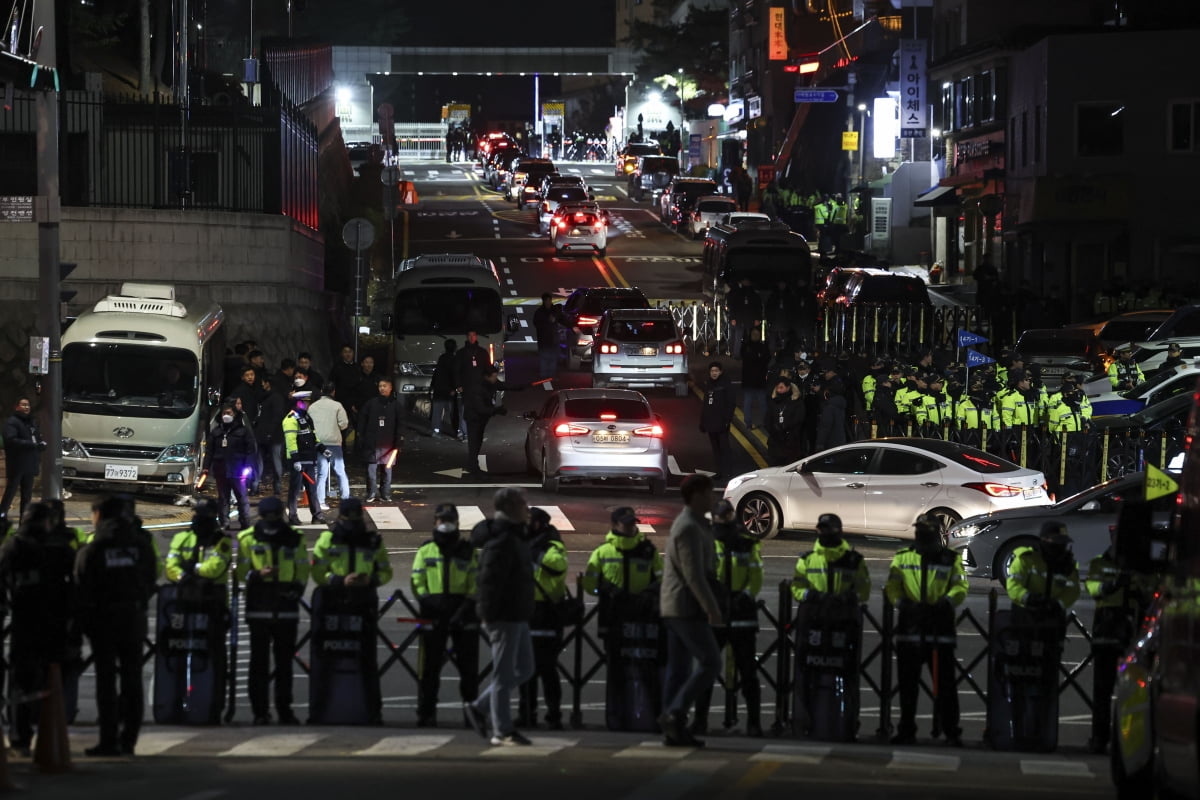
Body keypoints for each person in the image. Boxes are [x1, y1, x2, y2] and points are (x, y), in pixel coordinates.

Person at [75, 495, 158, 755]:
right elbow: (152, 576)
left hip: (104, 619)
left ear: (99, 514)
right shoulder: (141, 544)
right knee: (133, 678)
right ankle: (129, 739)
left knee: (106, 680)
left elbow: (82, 584)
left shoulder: (96, 546)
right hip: (133, 618)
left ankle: (108, 739)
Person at [0, 502, 77, 755]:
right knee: (50, 678)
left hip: (25, 621)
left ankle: (21, 737)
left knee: (22, 681)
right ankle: (48, 733)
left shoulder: (15, 546)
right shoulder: (60, 548)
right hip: (55, 622)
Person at [885, 516, 968, 747]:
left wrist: (946, 603)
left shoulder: (950, 559)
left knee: (945, 686)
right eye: (919, 530)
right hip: (910, 628)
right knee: (908, 686)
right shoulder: (903, 558)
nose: (921, 534)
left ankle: (952, 731)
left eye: (926, 531)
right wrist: (903, 603)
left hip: (939, 627)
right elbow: (892, 586)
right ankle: (906, 730)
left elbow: (960, 587)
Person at [463, 488, 536, 747]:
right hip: (504, 614)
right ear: (512, 507)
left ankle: (480, 708)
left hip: (516, 612)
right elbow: (489, 580)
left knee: (524, 668)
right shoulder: (504, 538)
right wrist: (489, 614)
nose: (527, 508)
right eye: (523, 503)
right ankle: (502, 730)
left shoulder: (513, 535)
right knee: (504, 675)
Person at [309, 497, 392, 724]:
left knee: (366, 661)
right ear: (341, 517)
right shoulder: (327, 540)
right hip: (332, 603)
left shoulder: (373, 542)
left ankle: (372, 713)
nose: (353, 522)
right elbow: (317, 574)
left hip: (363, 603)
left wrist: (369, 580)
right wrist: (339, 580)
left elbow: (385, 572)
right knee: (325, 661)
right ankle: (320, 712)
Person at [658, 473, 723, 748]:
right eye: (710, 493)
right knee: (710, 662)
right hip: (685, 605)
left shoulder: (699, 524)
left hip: (680, 605)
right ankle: (675, 713)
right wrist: (712, 608)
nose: (714, 498)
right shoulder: (688, 528)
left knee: (679, 669)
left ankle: (672, 725)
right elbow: (693, 574)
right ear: (697, 496)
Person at [692, 499, 764, 738]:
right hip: (715, 612)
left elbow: (755, 574)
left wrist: (745, 595)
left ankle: (754, 723)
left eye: (727, 515)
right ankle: (699, 721)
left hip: (741, 613)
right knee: (707, 669)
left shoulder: (747, 542)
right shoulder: (707, 542)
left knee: (748, 672)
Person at [236, 496, 309, 726]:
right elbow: (240, 572)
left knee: (284, 663)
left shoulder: (294, 539)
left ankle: (284, 710)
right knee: (259, 663)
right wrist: (258, 574)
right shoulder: (247, 539)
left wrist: (295, 589)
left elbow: (302, 569)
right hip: (259, 603)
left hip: (285, 603)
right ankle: (260, 712)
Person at [411, 503, 479, 728]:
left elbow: (475, 583)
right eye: (442, 520)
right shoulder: (425, 550)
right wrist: (429, 602)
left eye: (449, 521)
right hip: (434, 611)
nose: (445, 525)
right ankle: (426, 712)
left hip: (463, 612)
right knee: (429, 668)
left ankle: (471, 714)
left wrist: (465, 607)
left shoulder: (468, 552)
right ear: (435, 522)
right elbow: (417, 581)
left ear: (457, 524)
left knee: (469, 669)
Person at [1085, 525, 1149, 754]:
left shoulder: (1141, 567)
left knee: (1133, 693)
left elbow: (1151, 594)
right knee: (1102, 691)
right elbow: (1094, 588)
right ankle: (1099, 738)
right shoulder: (1100, 563)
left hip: (1132, 632)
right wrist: (1114, 584)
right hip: (1107, 631)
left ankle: (1127, 742)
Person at [518, 506, 569, 730]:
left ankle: (554, 714)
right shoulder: (521, 543)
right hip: (526, 611)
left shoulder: (553, 545)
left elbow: (558, 566)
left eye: (529, 520)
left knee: (547, 668)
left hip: (547, 613)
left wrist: (534, 553)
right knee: (525, 669)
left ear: (539, 523)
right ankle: (526, 713)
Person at [791, 513, 871, 606]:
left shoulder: (854, 560)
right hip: (814, 616)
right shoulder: (807, 559)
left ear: (839, 531)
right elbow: (796, 589)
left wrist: (847, 598)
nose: (825, 533)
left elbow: (864, 592)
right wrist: (811, 595)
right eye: (821, 530)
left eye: (829, 529)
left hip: (844, 616)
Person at [1006, 521, 1081, 619]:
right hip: (1025, 615)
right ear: (1044, 539)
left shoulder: (1068, 564)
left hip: (1054, 616)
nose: (1059, 545)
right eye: (1055, 540)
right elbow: (1013, 585)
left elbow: (1073, 590)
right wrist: (1029, 598)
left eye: (1062, 542)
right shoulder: (1027, 558)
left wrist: (1058, 604)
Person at [201, 401, 258, 530]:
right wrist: (205, 468)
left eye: (229, 413)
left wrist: (249, 466)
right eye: (224, 413)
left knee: (241, 497)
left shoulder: (243, 432)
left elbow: (250, 450)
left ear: (235, 414)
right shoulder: (216, 433)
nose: (226, 415)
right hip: (221, 470)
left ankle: (245, 521)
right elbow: (209, 452)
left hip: (238, 470)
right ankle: (224, 522)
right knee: (223, 498)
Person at [356, 377, 404, 503]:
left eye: (385, 386)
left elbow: (401, 424)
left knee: (387, 470)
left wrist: (399, 441)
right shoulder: (371, 403)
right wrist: (361, 435)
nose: (382, 388)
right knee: (371, 470)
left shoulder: (396, 405)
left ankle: (386, 493)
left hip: (389, 444)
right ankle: (371, 492)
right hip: (372, 443)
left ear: (390, 387)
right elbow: (362, 419)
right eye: (380, 386)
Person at [281, 392, 325, 525]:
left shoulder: (306, 417)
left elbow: (313, 437)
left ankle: (317, 515)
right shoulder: (290, 419)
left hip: (309, 459)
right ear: (299, 403)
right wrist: (295, 460)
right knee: (295, 490)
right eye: (306, 402)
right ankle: (292, 516)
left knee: (312, 489)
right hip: (298, 460)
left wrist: (322, 449)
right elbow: (291, 441)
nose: (308, 404)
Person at [463, 365, 514, 477]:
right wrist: (497, 410)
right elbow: (481, 408)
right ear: (487, 376)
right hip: (474, 418)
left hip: (480, 418)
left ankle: (473, 465)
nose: (495, 379)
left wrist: (521, 386)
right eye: (494, 376)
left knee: (478, 441)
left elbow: (503, 386)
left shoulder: (491, 383)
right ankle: (473, 468)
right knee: (474, 442)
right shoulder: (478, 388)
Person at [1, 397, 45, 522]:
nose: (27, 407)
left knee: (27, 496)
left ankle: (24, 523)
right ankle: (1, 518)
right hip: (17, 464)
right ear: (17, 407)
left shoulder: (31, 422)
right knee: (10, 493)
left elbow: (36, 438)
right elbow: (11, 440)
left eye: (28, 405)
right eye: (24, 405)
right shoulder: (12, 422)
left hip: (29, 465)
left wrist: (40, 444)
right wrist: (32, 445)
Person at [310, 382, 352, 510]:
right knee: (340, 471)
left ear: (322, 390)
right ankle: (345, 499)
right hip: (334, 443)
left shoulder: (312, 407)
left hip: (319, 443)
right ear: (333, 392)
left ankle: (321, 501)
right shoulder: (337, 406)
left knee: (322, 473)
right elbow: (344, 424)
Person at [700, 362, 736, 482]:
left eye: (716, 371)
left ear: (720, 371)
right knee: (715, 448)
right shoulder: (708, 384)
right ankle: (719, 471)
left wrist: (727, 419)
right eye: (712, 371)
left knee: (724, 447)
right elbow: (705, 404)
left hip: (721, 421)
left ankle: (728, 471)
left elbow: (731, 403)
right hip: (711, 421)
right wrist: (703, 421)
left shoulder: (726, 384)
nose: (714, 373)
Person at [253, 376, 285, 497]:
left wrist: (270, 432)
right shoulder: (266, 397)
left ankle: (277, 487)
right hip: (263, 435)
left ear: (268, 383)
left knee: (274, 462)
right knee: (260, 462)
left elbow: (277, 417)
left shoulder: (275, 398)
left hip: (274, 436)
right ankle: (256, 486)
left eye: (263, 382)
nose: (262, 385)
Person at [765, 377, 805, 466]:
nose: (779, 390)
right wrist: (774, 430)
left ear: (788, 388)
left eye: (781, 387)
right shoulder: (773, 401)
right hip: (775, 442)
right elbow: (767, 420)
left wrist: (786, 429)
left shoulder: (796, 402)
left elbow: (798, 420)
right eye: (777, 387)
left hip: (790, 443)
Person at [431, 340, 467, 439]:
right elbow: (454, 375)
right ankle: (457, 431)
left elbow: (436, 375)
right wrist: (456, 387)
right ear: (455, 348)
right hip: (449, 391)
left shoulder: (441, 358)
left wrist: (432, 386)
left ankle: (435, 431)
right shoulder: (454, 359)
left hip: (438, 390)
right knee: (453, 412)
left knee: (437, 412)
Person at [533, 293, 571, 380]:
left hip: (553, 339)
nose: (548, 302)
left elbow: (563, 320)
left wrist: (572, 326)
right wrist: (547, 321)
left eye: (549, 300)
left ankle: (551, 375)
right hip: (543, 339)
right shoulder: (539, 312)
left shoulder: (555, 311)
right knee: (544, 358)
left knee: (553, 358)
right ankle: (544, 375)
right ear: (543, 301)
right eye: (546, 300)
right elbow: (536, 323)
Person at [740, 328, 771, 430]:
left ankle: (749, 423)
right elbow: (767, 359)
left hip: (749, 380)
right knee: (762, 402)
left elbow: (742, 356)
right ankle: (766, 422)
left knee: (748, 402)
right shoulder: (762, 347)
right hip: (759, 380)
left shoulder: (745, 346)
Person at [724, 278, 761, 359]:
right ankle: (735, 354)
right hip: (739, 319)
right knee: (737, 337)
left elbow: (758, 307)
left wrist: (758, 318)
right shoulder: (737, 292)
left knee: (748, 337)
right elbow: (733, 306)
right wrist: (733, 318)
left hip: (749, 319)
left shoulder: (753, 294)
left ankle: (748, 353)